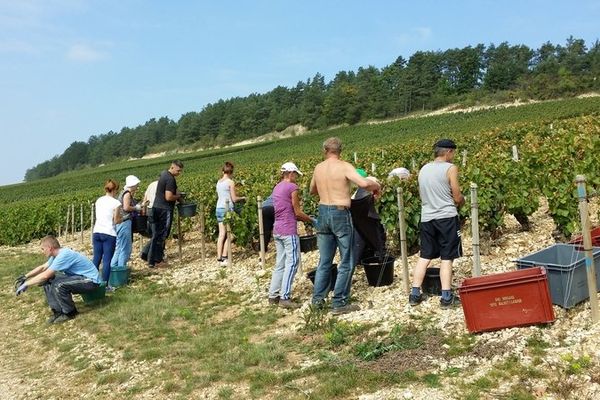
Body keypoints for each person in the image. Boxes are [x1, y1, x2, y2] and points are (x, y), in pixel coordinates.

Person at [310, 137, 381, 315]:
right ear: (340, 151)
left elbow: (312, 190)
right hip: (340, 212)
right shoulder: (344, 166)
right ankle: (339, 302)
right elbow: (364, 183)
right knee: (347, 260)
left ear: (324, 150)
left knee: (324, 261)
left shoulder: (318, 168)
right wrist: (377, 185)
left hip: (322, 211)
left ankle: (317, 301)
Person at [410, 139, 465, 308]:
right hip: (446, 217)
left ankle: (414, 294)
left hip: (427, 217)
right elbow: (456, 196)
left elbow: (422, 195)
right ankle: (446, 297)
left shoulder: (424, 169)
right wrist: (462, 201)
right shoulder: (450, 168)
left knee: (425, 256)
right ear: (448, 152)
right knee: (447, 257)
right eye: (453, 153)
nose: (453, 156)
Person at [14, 235, 102, 324]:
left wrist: (26, 284)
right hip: (78, 278)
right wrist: (25, 276)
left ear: (50, 248)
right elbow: (43, 267)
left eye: (43, 249)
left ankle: (70, 312)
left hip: (90, 281)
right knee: (48, 281)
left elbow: (45, 275)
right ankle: (58, 311)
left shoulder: (64, 255)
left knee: (58, 284)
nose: (42, 252)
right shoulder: (56, 255)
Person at [268, 162, 315, 309]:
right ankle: (285, 297)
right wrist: (312, 220)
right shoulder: (292, 187)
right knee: (293, 262)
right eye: (295, 174)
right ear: (290, 173)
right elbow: (297, 212)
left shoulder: (277, 187)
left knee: (280, 263)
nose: (296, 177)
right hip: (288, 230)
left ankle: (273, 295)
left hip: (277, 230)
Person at [147, 161, 184, 268]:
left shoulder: (163, 174)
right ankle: (158, 260)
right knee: (162, 235)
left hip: (156, 207)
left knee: (156, 235)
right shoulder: (170, 179)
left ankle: (150, 259)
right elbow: (168, 197)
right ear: (172, 167)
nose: (179, 173)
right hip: (165, 209)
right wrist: (178, 196)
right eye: (178, 170)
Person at [92, 179, 122, 288]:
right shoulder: (116, 203)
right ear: (114, 190)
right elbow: (116, 220)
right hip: (109, 233)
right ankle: (105, 285)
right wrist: (122, 218)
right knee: (107, 260)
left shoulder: (99, 200)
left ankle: (92, 282)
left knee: (96, 258)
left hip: (97, 231)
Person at [215, 161, 245, 266]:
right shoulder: (230, 182)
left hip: (218, 208)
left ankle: (219, 259)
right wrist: (243, 198)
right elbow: (234, 199)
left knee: (221, 234)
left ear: (223, 171)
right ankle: (225, 257)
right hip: (226, 209)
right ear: (231, 172)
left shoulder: (218, 182)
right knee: (230, 234)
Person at [110, 175, 142, 271]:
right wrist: (136, 208)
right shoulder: (127, 193)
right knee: (125, 248)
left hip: (119, 223)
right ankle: (121, 270)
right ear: (132, 185)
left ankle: (112, 270)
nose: (137, 187)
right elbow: (126, 207)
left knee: (119, 248)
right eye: (136, 185)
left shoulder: (122, 193)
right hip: (124, 222)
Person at [140, 179, 159, 261]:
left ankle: (156, 253)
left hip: (149, 210)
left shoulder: (151, 185)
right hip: (158, 210)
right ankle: (146, 252)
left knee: (155, 233)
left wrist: (144, 212)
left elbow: (145, 198)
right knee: (157, 234)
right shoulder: (164, 185)